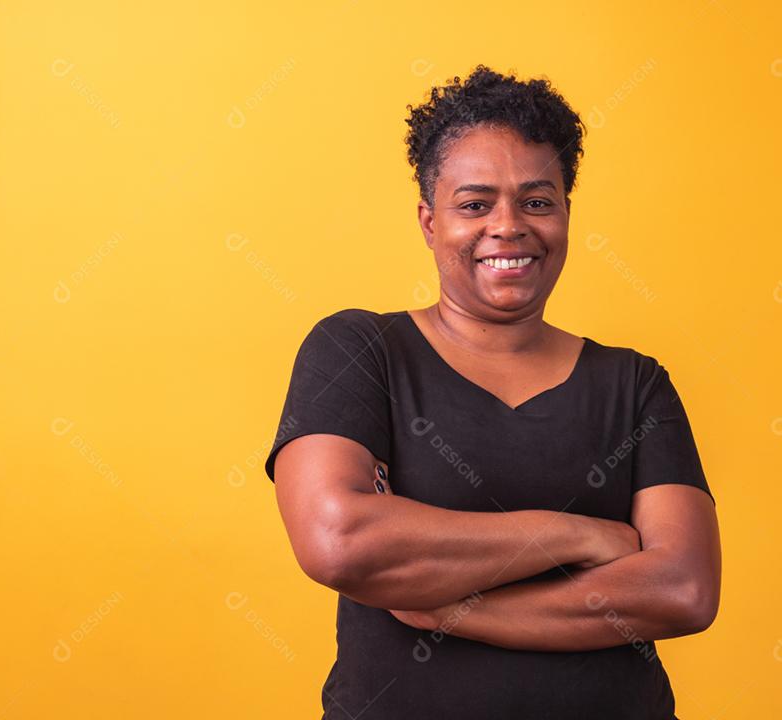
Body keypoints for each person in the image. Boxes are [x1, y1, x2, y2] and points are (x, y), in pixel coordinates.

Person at [263, 64, 720, 720]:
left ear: (565, 213)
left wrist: (447, 607)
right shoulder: (361, 352)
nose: (508, 226)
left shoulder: (635, 383)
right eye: (475, 204)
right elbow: (340, 538)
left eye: (537, 201)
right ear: (429, 221)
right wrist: (576, 536)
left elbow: (683, 588)